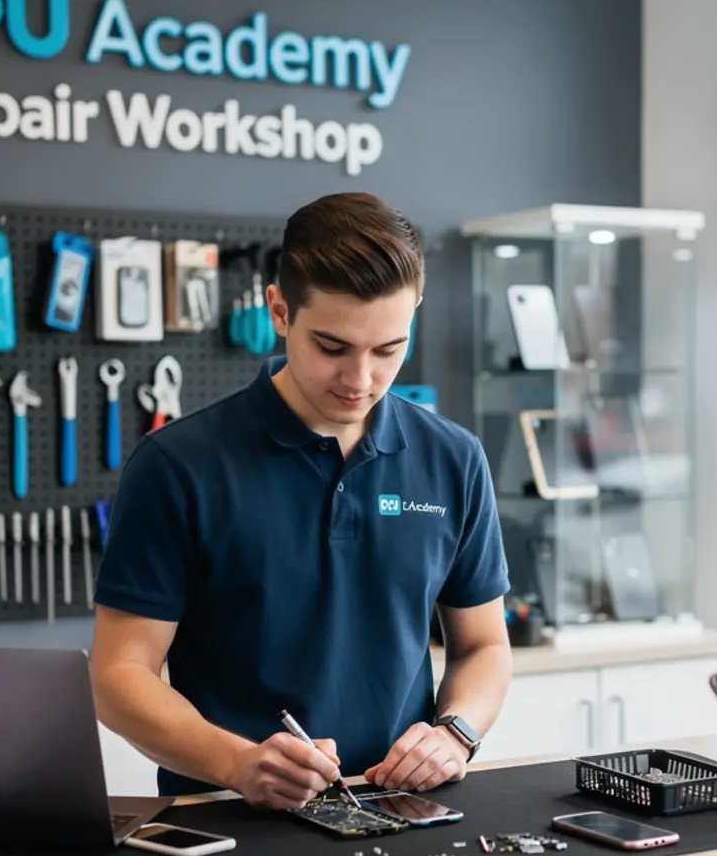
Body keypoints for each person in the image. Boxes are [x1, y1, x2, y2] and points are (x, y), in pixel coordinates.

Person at [91, 192, 512, 808]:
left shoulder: (454, 459)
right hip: (231, 818)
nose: (360, 380)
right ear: (280, 312)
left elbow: (483, 645)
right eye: (333, 347)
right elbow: (118, 676)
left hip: (400, 809)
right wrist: (236, 763)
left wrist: (457, 732)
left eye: (389, 350)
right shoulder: (177, 466)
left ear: (414, 315)